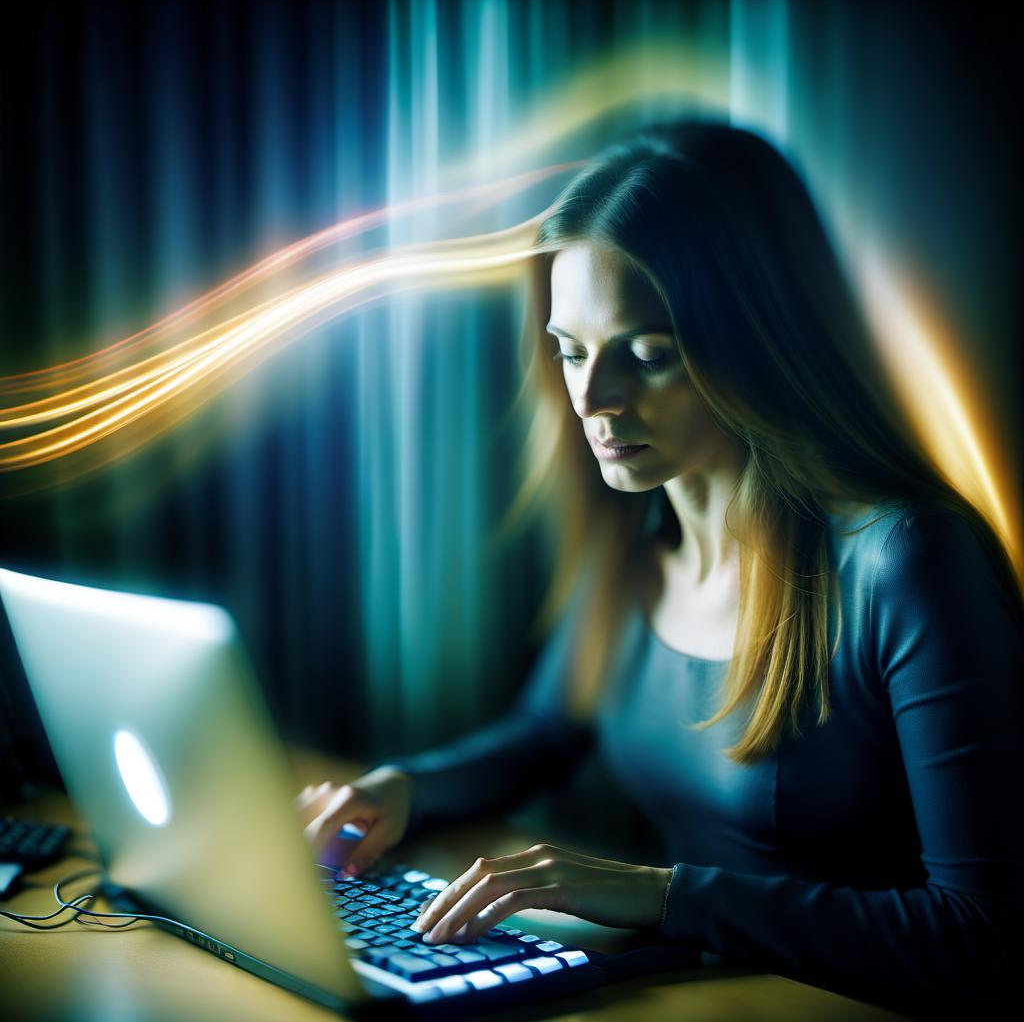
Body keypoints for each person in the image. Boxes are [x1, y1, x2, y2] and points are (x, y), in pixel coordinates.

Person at [295, 118, 1024, 1015]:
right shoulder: (636, 538)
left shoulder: (907, 562)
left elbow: (985, 936)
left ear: (759, 340)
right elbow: (546, 731)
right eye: (570, 352)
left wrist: (662, 894)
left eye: (647, 356)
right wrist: (404, 788)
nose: (594, 400)